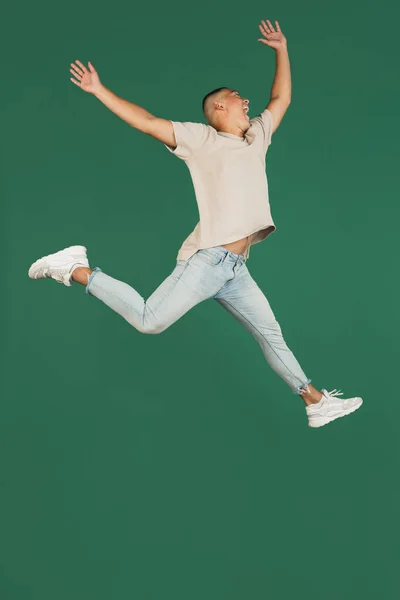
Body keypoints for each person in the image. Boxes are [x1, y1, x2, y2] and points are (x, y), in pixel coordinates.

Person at [28, 19, 362, 428]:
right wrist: (100, 91)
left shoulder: (257, 137)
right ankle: (74, 267)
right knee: (150, 322)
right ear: (219, 107)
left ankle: (315, 402)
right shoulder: (200, 139)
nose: (247, 102)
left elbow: (282, 97)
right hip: (208, 262)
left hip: (236, 269)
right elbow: (147, 121)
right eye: (238, 98)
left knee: (271, 335)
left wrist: (282, 50)